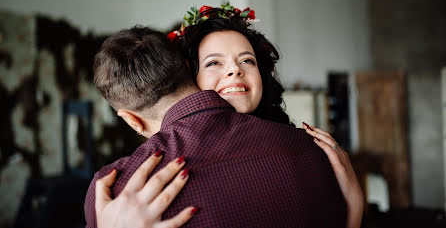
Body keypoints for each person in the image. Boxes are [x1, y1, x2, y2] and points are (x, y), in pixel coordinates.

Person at [84, 24, 347, 227]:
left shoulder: (114, 193)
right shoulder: (314, 150)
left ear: (131, 119)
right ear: (190, 69)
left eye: (247, 60)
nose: (233, 71)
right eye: (214, 63)